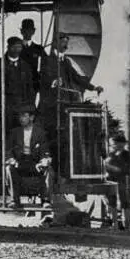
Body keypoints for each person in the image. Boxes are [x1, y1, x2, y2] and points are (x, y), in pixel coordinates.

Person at [39, 32, 103, 173]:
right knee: (52, 136)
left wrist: (93, 87)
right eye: (63, 42)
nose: (66, 45)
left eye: (66, 42)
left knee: (64, 138)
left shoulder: (66, 61)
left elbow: (76, 77)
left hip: (64, 104)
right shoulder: (47, 60)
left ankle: (63, 169)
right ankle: (52, 168)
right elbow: (42, 77)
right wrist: (52, 82)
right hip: (51, 105)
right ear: (56, 43)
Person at [4, 105, 54, 208]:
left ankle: (46, 200)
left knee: (49, 170)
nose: (21, 118)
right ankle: (14, 200)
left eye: (24, 116)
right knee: (9, 168)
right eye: (20, 116)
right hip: (19, 162)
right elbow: (8, 151)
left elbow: (45, 151)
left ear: (31, 117)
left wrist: (44, 160)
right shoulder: (14, 132)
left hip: (35, 163)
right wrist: (11, 160)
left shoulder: (40, 133)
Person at [104, 134, 130, 230]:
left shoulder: (126, 154)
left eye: (114, 143)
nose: (112, 145)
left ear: (121, 144)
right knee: (112, 201)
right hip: (111, 180)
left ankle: (127, 225)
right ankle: (115, 224)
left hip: (120, 180)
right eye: (112, 144)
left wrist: (116, 169)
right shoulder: (111, 153)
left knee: (124, 202)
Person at [4, 37, 36, 130]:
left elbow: (30, 88)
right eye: (14, 47)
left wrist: (30, 106)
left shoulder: (26, 66)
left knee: (19, 132)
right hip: (6, 106)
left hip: (22, 106)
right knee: (6, 131)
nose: (16, 50)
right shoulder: (0, 64)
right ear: (8, 47)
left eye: (19, 47)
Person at [19, 19, 44, 97]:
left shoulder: (39, 49)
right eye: (25, 30)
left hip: (33, 83)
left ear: (33, 31)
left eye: (30, 30)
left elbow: (45, 66)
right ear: (21, 31)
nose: (27, 33)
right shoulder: (15, 47)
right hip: (18, 83)